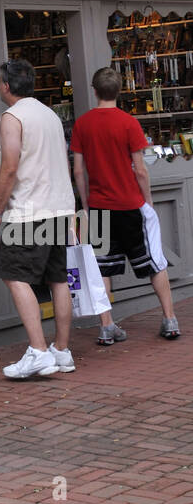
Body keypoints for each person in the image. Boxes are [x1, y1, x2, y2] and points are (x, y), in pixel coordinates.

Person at [71, 66, 180, 343]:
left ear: (94, 91)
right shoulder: (129, 123)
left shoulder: (82, 124)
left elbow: (79, 171)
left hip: (99, 206)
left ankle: (106, 326)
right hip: (130, 203)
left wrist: (85, 203)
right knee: (154, 263)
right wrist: (148, 201)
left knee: (103, 268)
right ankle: (169, 319)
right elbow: (140, 169)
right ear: (119, 92)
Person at [0, 59, 76, 379]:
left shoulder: (12, 117)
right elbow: (63, 164)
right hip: (58, 207)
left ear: (7, 87)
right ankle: (62, 350)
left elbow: (9, 167)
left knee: (15, 275)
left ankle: (38, 350)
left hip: (27, 211)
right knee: (58, 279)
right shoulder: (50, 115)